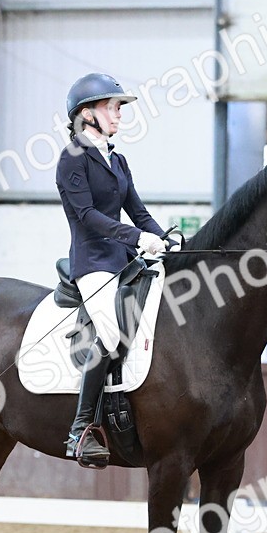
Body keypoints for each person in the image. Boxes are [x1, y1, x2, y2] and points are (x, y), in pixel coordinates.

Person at [55, 73, 168, 466]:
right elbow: (86, 215)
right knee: (110, 332)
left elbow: (138, 211)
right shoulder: (72, 158)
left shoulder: (117, 160)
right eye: (112, 107)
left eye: (119, 107)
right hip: (93, 263)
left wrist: (166, 240)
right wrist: (137, 237)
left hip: (123, 260)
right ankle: (80, 429)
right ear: (87, 114)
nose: (119, 114)